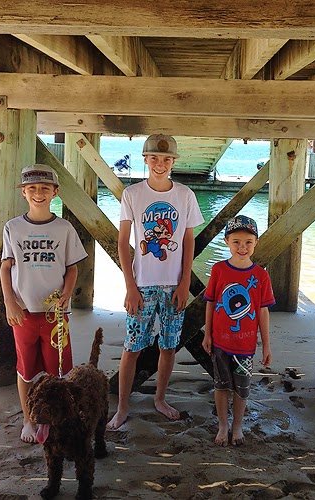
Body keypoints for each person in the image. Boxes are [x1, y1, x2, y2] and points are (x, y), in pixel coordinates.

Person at [107, 134, 204, 430]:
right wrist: (130, 286)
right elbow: (123, 242)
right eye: (154, 159)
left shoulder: (185, 195)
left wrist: (185, 282)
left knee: (169, 346)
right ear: (145, 160)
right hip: (142, 285)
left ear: (173, 162)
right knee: (132, 347)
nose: (160, 164)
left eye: (166, 159)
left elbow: (188, 240)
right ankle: (122, 407)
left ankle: (160, 399)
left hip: (174, 285)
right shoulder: (132, 194)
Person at [0, 163, 88, 443]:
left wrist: (67, 294)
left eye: (45, 188)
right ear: (24, 192)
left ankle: (60, 420)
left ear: (55, 193)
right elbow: (5, 267)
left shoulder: (64, 228)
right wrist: (10, 302)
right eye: (33, 188)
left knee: (59, 372)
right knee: (26, 370)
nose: (39, 193)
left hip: (55, 314)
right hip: (24, 312)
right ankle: (28, 419)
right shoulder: (13, 227)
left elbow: (72, 268)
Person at [202, 215, 275, 446]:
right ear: (226, 242)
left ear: (256, 243)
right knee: (221, 385)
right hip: (220, 342)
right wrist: (207, 333)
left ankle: (237, 426)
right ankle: (223, 425)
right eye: (236, 242)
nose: (242, 247)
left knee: (242, 389)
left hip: (245, 346)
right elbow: (211, 303)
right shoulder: (219, 270)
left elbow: (262, 311)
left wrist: (266, 344)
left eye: (248, 242)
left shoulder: (261, 276)